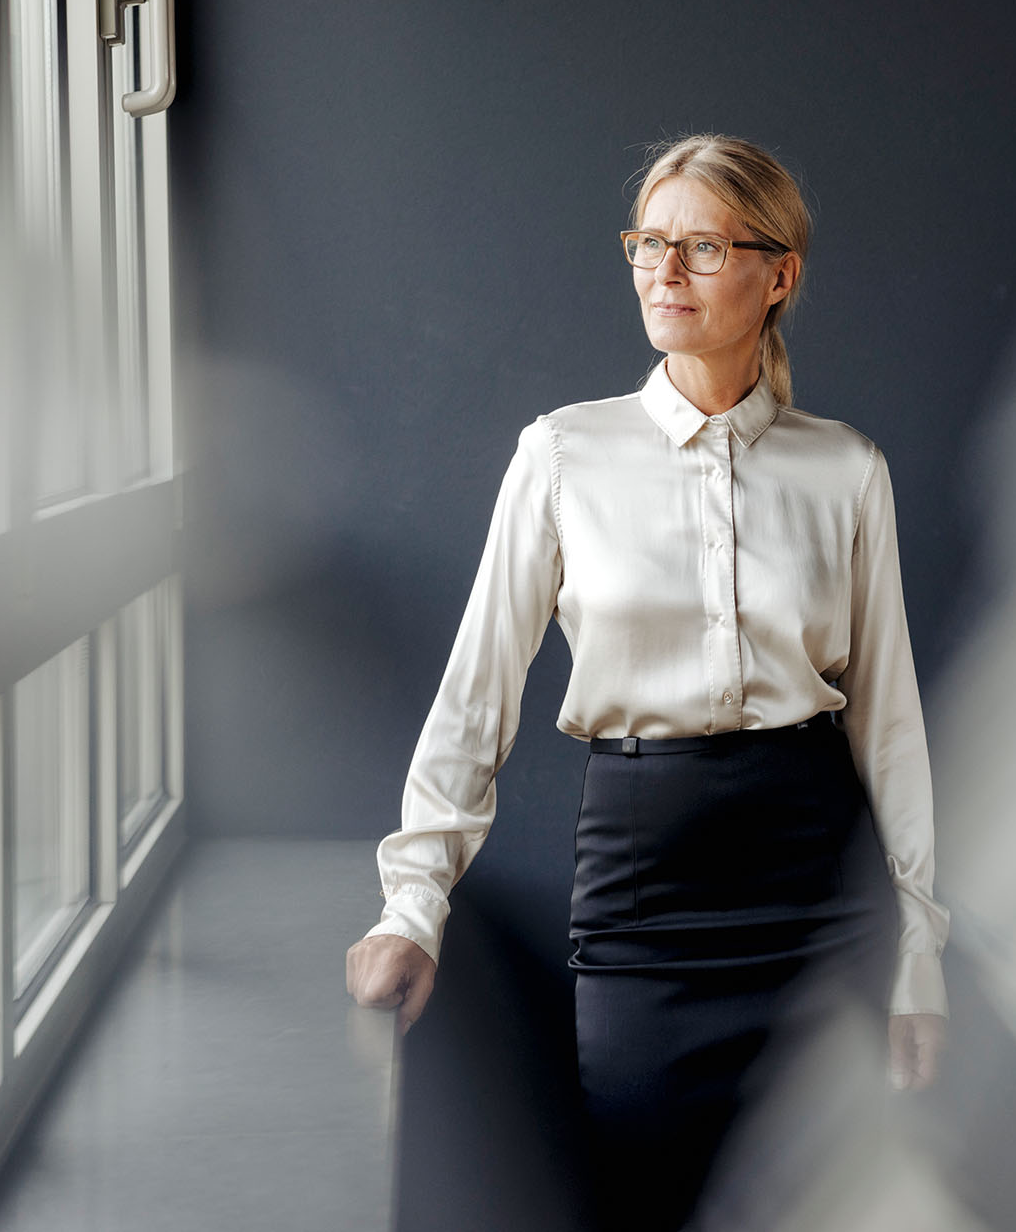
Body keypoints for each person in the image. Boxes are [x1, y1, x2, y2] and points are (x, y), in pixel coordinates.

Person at [345, 134, 949, 1230]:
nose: (663, 273)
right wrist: (412, 908)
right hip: (643, 898)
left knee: (825, 1195)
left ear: (779, 275)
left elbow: (889, 728)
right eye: (648, 243)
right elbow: (474, 700)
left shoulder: (847, 470)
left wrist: (917, 950)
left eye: (702, 245)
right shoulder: (562, 456)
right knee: (645, 1194)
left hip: (814, 889)